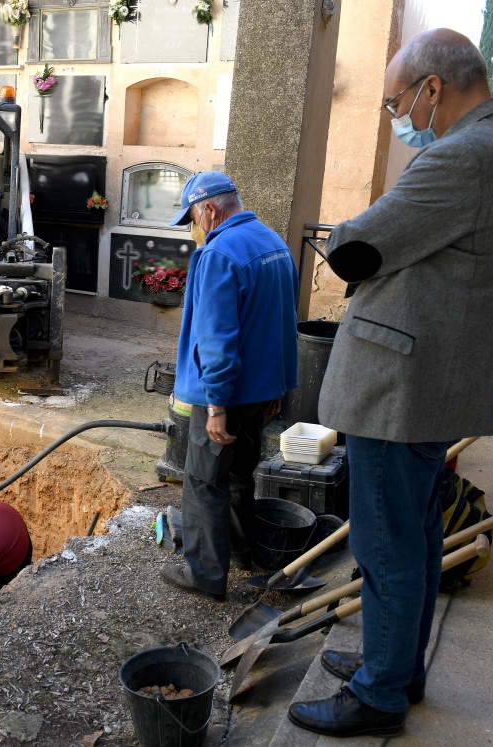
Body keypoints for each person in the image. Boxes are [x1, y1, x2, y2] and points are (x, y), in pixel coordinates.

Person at [288, 29, 493, 738]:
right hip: (435, 377)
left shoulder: (463, 157)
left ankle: (379, 693)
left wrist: (351, 235)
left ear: (434, 87)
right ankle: (396, 665)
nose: (397, 116)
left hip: (401, 385)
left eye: (396, 101)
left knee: (386, 541)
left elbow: (354, 246)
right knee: (418, 536)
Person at [160, 171, 299, 601]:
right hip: (262, 392)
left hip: (228, 393)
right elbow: (282, 325)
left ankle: (204, 574)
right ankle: (242, 553)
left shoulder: (219, 254)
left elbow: (217, 337)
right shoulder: (274, 243)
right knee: (240, 475)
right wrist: (280, 387)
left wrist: (216, 404)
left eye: (193, 218)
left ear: (210, 209)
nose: (195, 228)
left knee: (204, 481)